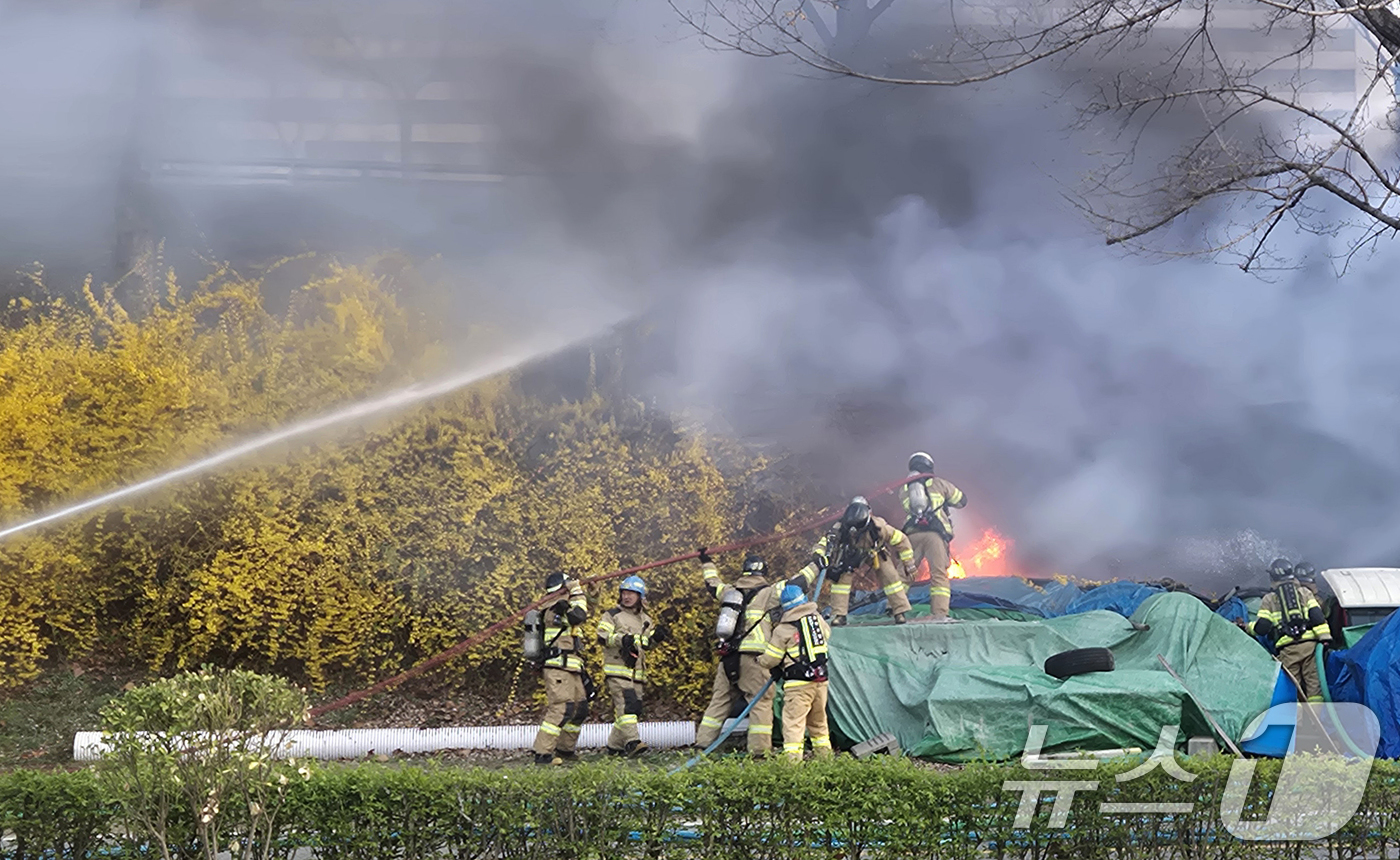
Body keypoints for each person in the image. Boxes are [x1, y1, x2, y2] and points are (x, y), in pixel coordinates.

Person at [694, 550, 781, 756]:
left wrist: (706, 561)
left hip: (728, 656)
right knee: (760, 703)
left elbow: (711, 583)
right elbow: (801, 581)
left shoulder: (729, 592)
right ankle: (759, 752)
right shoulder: (770, 593)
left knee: (720, 701)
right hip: (755, 659)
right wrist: (819, 561)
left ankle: (702, 745)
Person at [800, 496, 916, 625]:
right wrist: (818, 554)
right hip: (852, 555)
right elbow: (826, 542)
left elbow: (901, 540)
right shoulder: (841, 527)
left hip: (875, 553)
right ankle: (839, 615)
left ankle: (899, 612)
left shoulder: (879, 528)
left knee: (890, 577)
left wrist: (908, 562)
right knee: (841, 580)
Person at [760, 582, 833, 762]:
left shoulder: (783, 629)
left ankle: (793, 767)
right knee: (819, 723)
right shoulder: (817, 619)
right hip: (820, 681)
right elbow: (827, 635)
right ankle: (826, 762)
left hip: (798, 685)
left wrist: (759, 660)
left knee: (794, 725)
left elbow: (771, 659)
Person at [596, 575, 668, 757]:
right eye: (624, 593)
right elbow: (602, 637)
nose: (627, 597)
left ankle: (614, 747)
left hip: (637, 673)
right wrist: (622, 639)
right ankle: (632, 743)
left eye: (631, 593)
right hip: (617, 670)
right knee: (626, 706)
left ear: (640, 597)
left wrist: (656, 638)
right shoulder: (611, 615)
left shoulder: (645, 619)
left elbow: (646, 645)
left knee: (632, 709)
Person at [1247, 558, 1332, 703]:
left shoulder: (1269, 599)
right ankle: (1316, 722)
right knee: (1314, 688)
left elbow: (1262, 628)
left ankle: (1297, 723)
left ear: (1272, 577)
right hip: (1310, 647)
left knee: (1292, 690)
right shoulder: (1305, 593)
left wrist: (1248, 628)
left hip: (1288, 650)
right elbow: (1318, 618)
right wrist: (1325, 638)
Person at [531, 571, 590, 765]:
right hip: (557, 666)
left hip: (572, 666)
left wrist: (593, 594)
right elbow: (579, 615)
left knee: (579, 708)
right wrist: (578, 590)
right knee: (560, 708)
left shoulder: (564, 605)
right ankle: (543, 753)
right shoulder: (554, 607)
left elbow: (585, 611)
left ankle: (565, 750)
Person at [900, 452, 967, 621]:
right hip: (935, 535)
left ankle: (895, 610)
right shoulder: (940, 484)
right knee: (938, 574)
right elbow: (962, 501)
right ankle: (939, 613)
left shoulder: (904, 488)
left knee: (905, 573)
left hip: (912, 535)